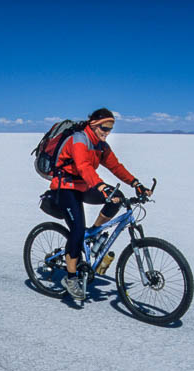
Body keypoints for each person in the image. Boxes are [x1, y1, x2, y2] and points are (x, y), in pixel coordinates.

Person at [49, 108, 151, 300]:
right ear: (95, 125)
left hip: (84, 185)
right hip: (65, 186)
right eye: (104, 127)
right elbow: (83, 167)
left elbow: (116, 167)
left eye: (110, 128)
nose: (107, 132)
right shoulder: (80, 139)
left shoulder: (100, 145)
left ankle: (93, 233)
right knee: (77, 229)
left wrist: (136, 184)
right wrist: (100, 185)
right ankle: (70, 279)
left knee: (117, 197)